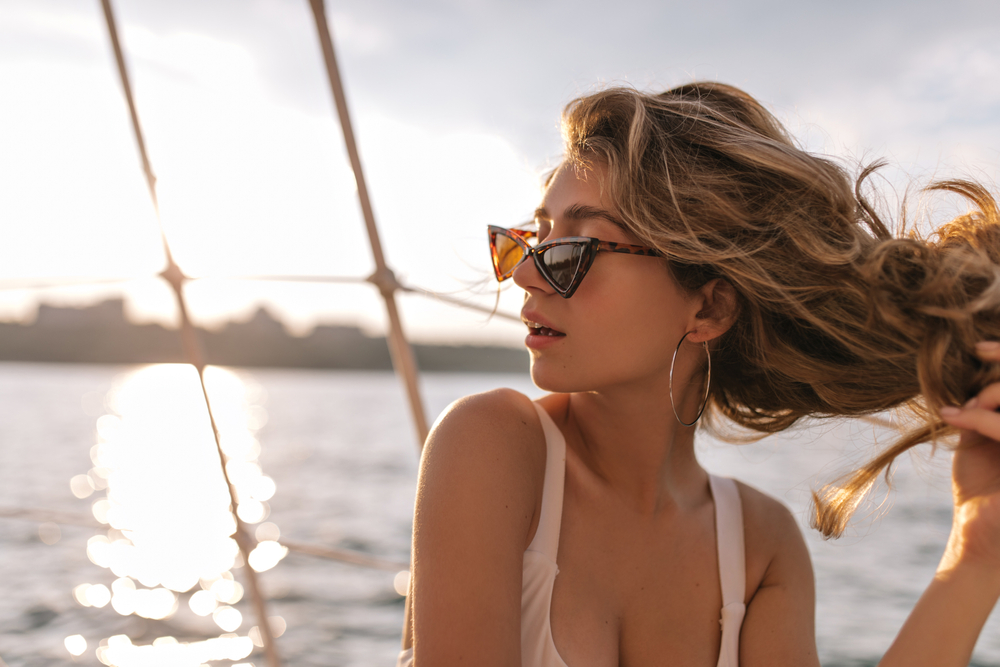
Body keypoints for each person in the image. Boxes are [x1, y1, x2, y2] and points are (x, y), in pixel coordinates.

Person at [396, 82, 1000, 666]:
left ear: (709, 307)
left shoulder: (761, 548)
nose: (526, 275)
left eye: (574, 248)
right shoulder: (491, 446)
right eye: (534, 240)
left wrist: (976, 552)